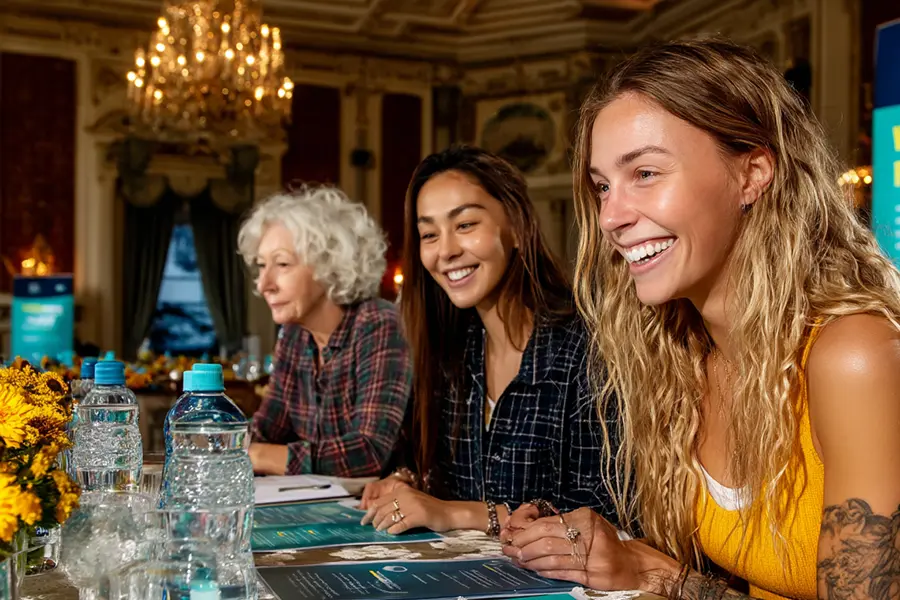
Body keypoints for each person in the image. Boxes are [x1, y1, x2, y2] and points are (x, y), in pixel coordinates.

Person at [502, 38, 900, 600]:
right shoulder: (680, 355)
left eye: (644, 173)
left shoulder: (854, 353)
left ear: (753, 172)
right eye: (601, 186)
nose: (611, 217)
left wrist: (659, 576)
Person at [359, 146, 619, 537]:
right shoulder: (454, 351)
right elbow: (417, 456)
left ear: (515, 225)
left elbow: (608, 511)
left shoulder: (587, 345)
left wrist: (457, 514)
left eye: (465, 225)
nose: (445, 250)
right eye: (429, 234)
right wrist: (402, 479)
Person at [237, 185, 413, 477]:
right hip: (318, 508)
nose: (263, 284)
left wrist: (259, 455)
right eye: (261, 266)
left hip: (381, 512)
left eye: (282, 264)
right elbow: (268, 427)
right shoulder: (294, 336)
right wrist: (221, 445)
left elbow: (368, 452)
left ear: (330, 265)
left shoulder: (378, 324)